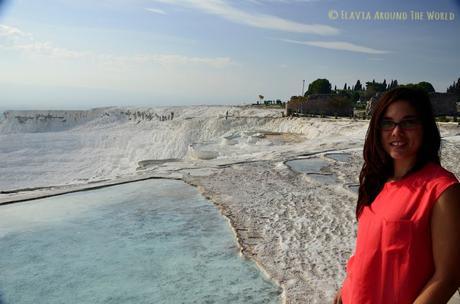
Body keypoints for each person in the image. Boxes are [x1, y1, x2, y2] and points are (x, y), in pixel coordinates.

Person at [333, 87, 460, 304]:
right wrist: (345, 288)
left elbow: (447, 277)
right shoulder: (377, 181)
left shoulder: (442, 190)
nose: (396, 132)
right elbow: (368, 250)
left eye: (408, 122)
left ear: (425, 127)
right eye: (387, 123)